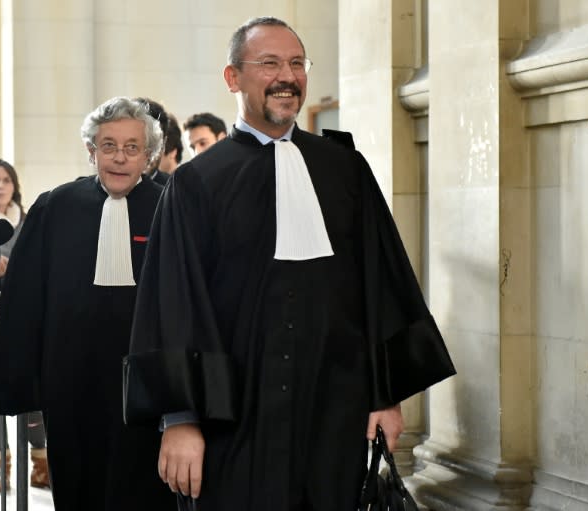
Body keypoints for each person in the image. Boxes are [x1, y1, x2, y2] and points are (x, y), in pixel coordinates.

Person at [123, 17, 457, 511]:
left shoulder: (345, 168)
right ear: (233, 78)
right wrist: (180, 419)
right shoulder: (196, 184)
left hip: (334, 412)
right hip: (235, 417)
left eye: (297, 63)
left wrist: (385, 396)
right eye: (270, 63)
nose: (288, 75)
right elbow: (173, 303)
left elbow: (379, 284)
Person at [0, 97, 176, 510]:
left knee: (141, 490)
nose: (120, 158)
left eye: (131, 147)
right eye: (108, 146)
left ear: (149, 156)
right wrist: (24, 387)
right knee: (77, 486)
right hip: (70, 380)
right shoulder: (56, 207)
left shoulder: (172, 207)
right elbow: (25, 300)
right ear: (92, 151)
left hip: (146, 385)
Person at [0, 159, 51, 492]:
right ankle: (1, 467)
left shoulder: (29, 219)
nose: (1, 186)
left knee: (30, 387)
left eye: (6, 180)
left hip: (24, 315)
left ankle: (41, 465)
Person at [136, 97, 171, 185]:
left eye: (155, 142)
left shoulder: (176, 190)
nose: (147, 152)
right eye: (136, 143)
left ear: (164, 144)